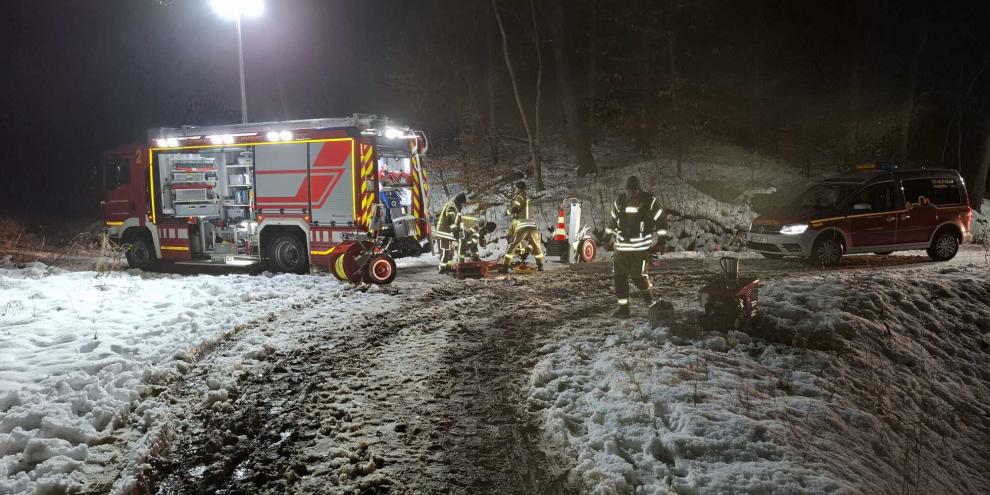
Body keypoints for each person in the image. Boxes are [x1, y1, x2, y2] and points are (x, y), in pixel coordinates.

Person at [606, 176, 664, 318]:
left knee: (638, 278)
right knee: (619, 278)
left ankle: (648, 298)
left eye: (633, 190)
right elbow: (613, 221)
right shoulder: (620, 201)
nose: (630, 193)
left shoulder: (650, 201)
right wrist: (606, 237)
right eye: (628, 190)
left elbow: (661, 221)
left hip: (640, 249)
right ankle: (623, 308)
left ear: (639, 189)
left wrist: (661, 241)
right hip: (620, 248)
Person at [499, 181, 545, 273]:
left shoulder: (520, 197)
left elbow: (515, 208)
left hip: (522, 224)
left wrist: (506, 213)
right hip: (532, 224)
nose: (515, 190)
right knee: (536, 245)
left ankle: (505, 267)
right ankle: (540, 265)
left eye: (516, 188)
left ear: (519, 188)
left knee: (512, 245)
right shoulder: (528, 197)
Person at [435, 192, 467, 273]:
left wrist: (460, 230)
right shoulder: (452, 206)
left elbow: (458, 220)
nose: (463, 205)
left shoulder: (457, 207)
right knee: (446, 251)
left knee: (451, 252)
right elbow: (450, 221)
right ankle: (442, 268)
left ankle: (448, 266)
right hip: (445, 233)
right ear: (460, 201)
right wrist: (456, 230)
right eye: (463, 203)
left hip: (450, 233)